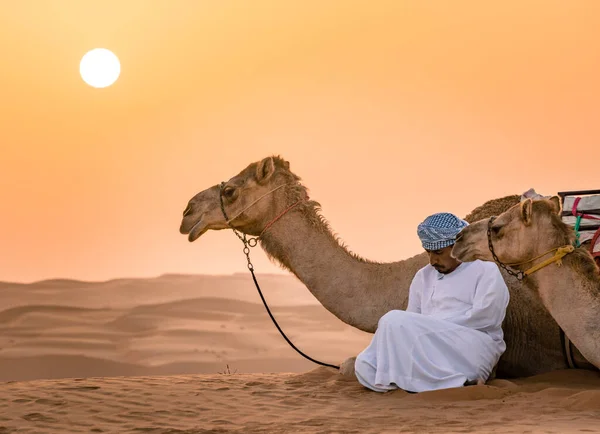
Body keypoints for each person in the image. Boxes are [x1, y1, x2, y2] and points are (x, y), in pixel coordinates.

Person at [354, 212, 510, 393]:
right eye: (428, 253)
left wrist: (430, 328)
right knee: (364, 365)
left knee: (393, 320)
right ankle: (446, 382)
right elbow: (412, 320)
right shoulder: (423, 276)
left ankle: (445, 380)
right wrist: (424, 330)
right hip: (427, 348)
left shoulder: (485, 270)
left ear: (457, 246)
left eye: (438, 253)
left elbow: (486, 319)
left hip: (471, 347)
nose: (433, 260)